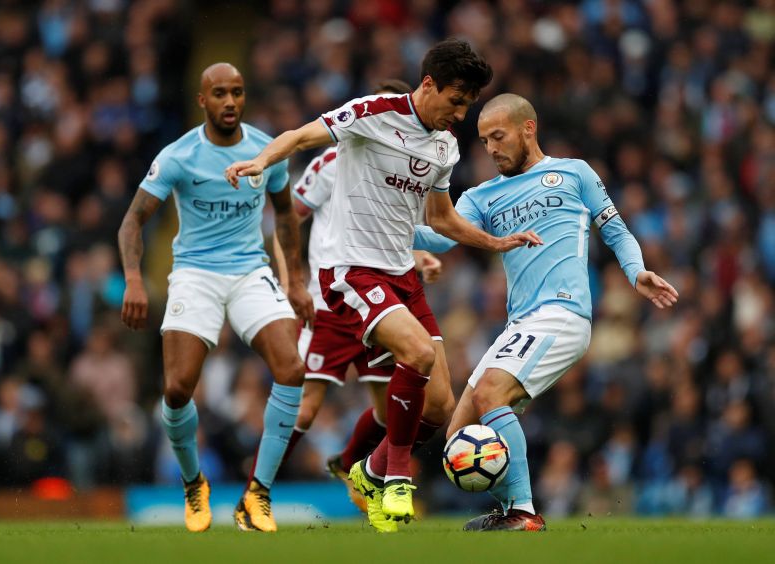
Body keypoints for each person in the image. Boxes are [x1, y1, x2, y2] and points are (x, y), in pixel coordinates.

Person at [225, 39, 541, 532]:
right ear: (429, 83)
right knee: (409, 357)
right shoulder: (372, 113)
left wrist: (493, 242)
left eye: (467, 105)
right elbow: (300, 135)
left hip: (401, 276)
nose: (459, 114)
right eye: (456, 100)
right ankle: (392, 476)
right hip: (351, 271)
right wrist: (260, 162)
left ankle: (367, 469)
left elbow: (441, 217)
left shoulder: (444, 146)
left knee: (439, 404)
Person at [413, 93, 678, 531]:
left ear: (527, 128)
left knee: (490, 394)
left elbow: (614, 229)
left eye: (498, 137)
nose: (492, 148)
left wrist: (637, 272)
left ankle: (522, 510)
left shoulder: (574, 172)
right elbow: (441, 237)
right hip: (519, 323)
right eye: (483, 141)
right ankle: (508, 507)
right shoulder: (482, 195)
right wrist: (390, 230)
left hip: (563, 313)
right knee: (459, 438)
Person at [118, 63, 313, 534]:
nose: (230, 102)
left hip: (250, 272)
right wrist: (134, 279)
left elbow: (285, 215)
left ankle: (258, 494)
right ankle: (193, 482)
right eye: (220, 94)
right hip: (194, 273)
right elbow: (132, 222)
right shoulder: (179, 156)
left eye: (238, 93)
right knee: (177, 388)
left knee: (291, 368)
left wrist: (297, 280)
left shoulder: (266, 151)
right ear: (202, 100)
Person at [274, 79, 445, 513]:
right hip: (329, 300)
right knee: (307, 408)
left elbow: (388, 229)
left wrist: (419, 255)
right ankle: (257, 488)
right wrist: (291, 279)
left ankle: (351, 465)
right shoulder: (334, 159)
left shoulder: (401, 161)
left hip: (380, 292)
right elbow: (289, 218)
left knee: (392, 412)